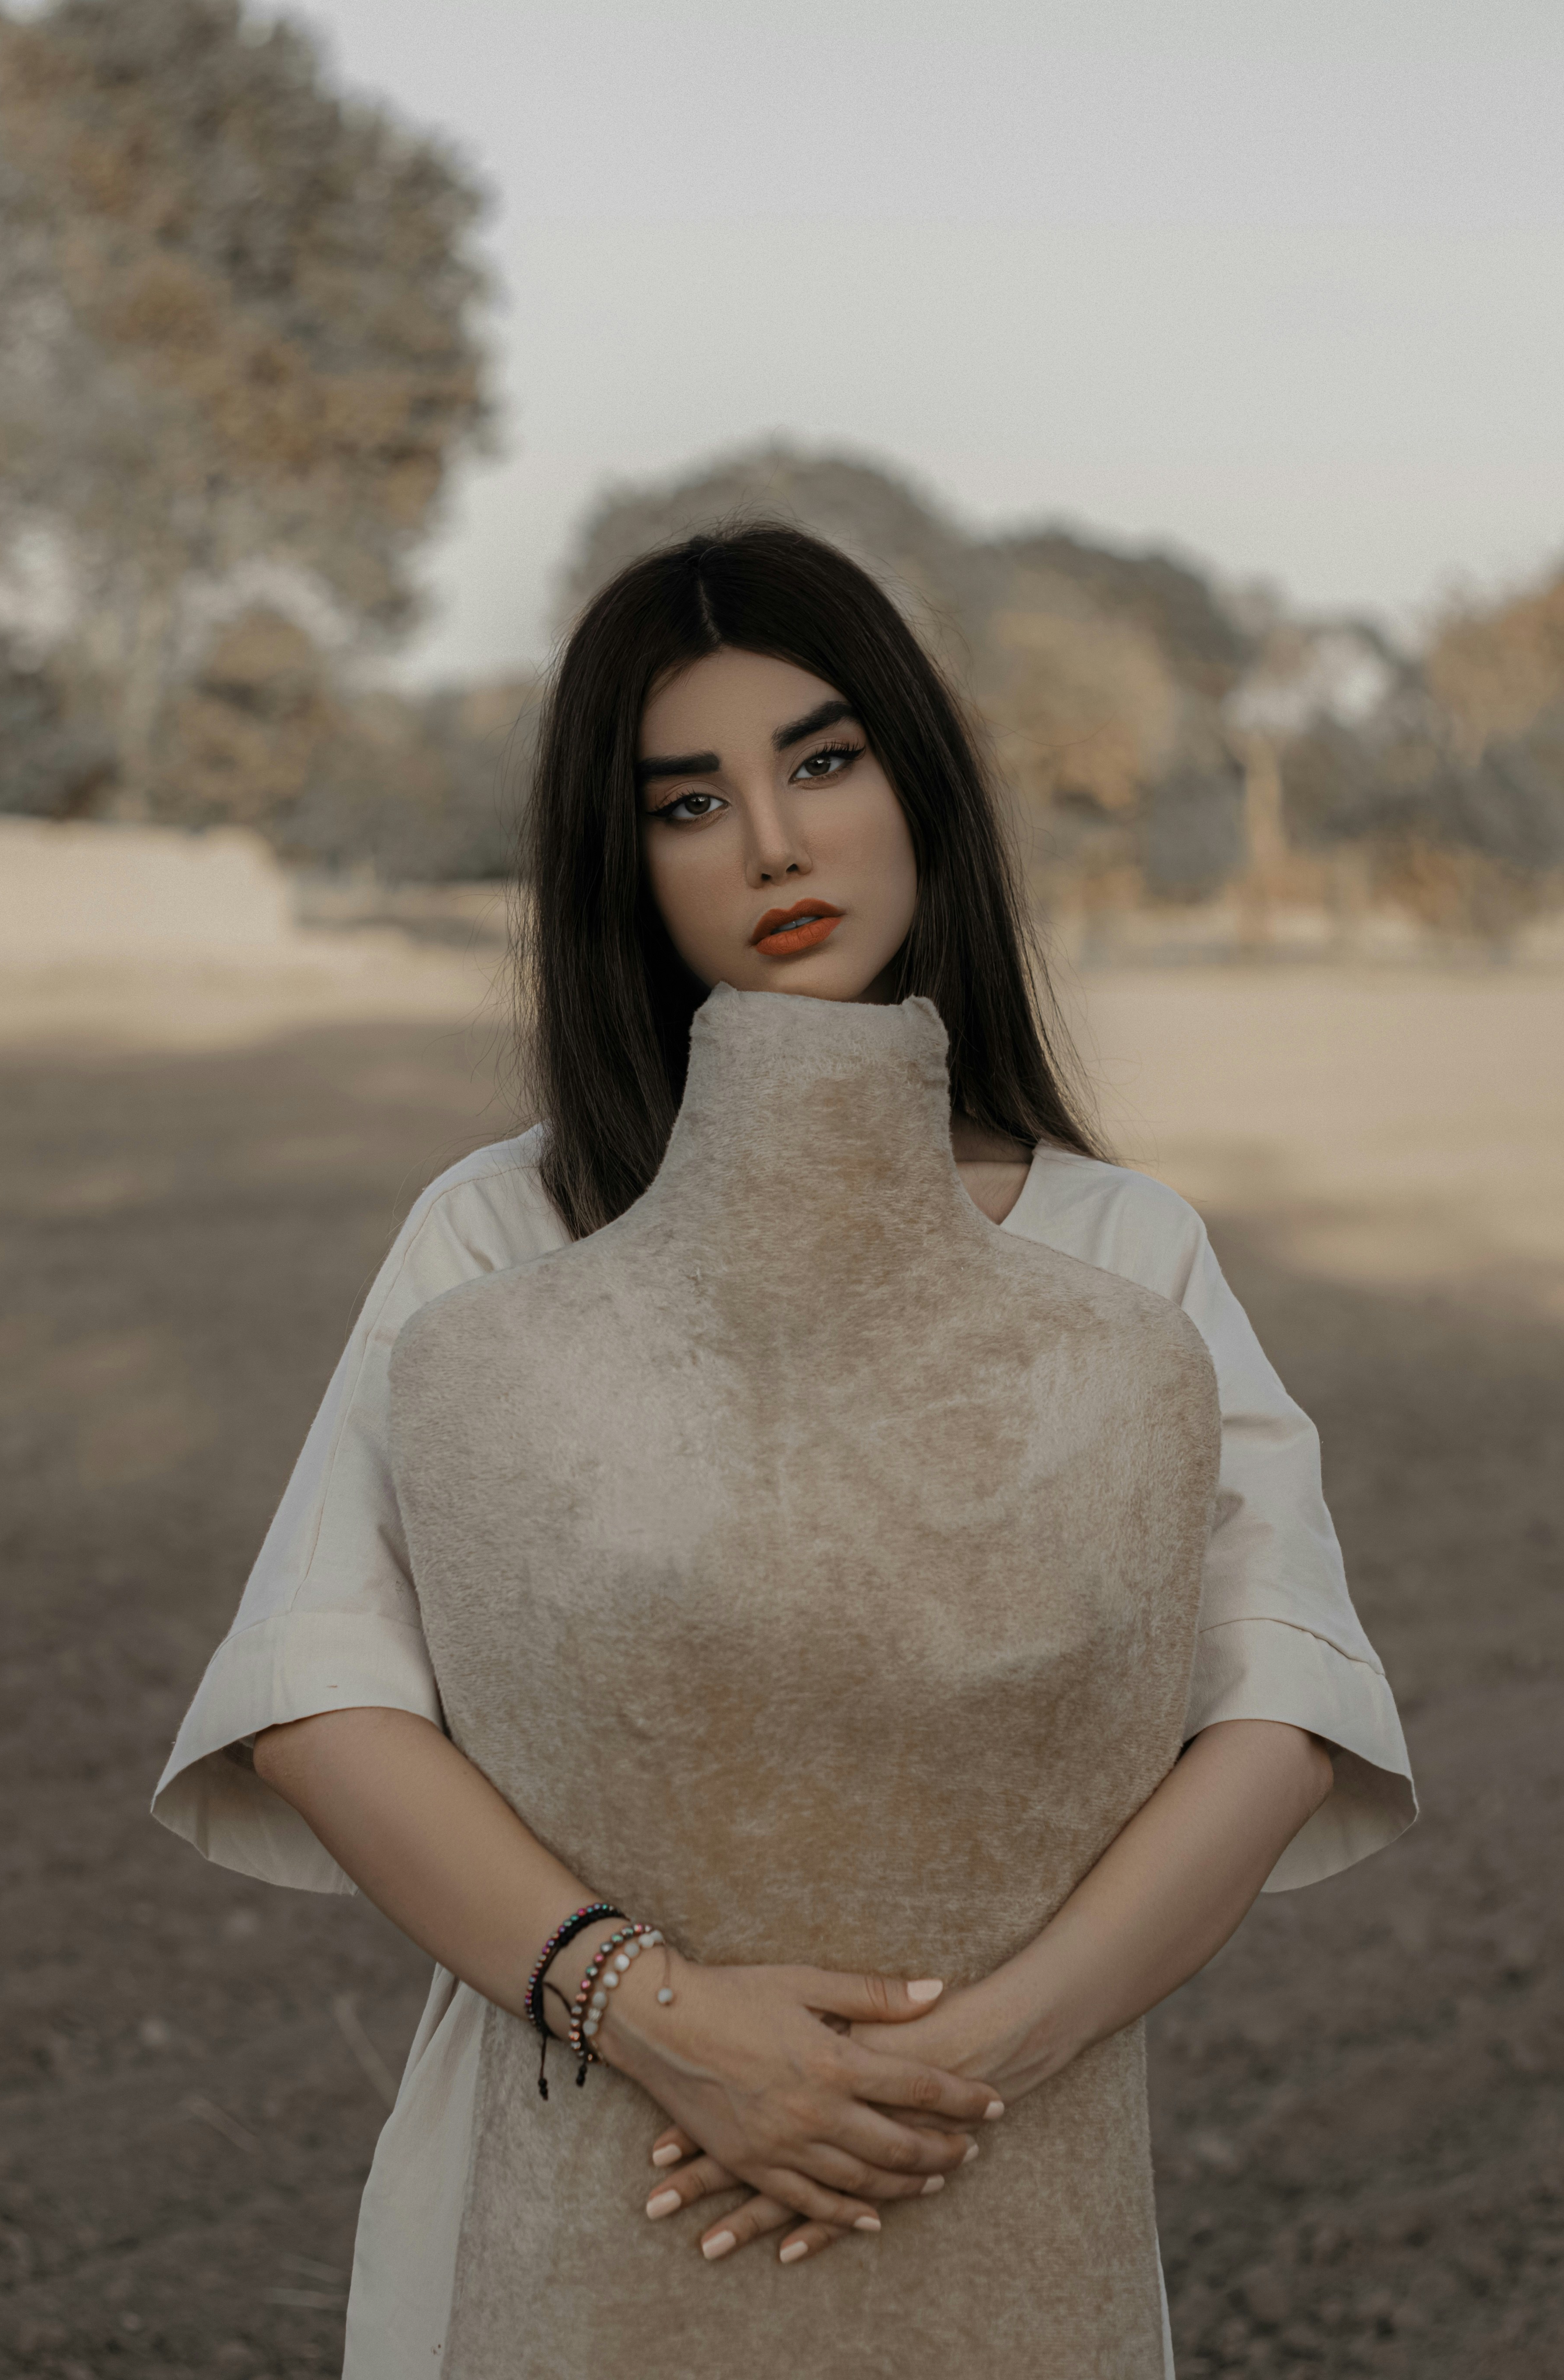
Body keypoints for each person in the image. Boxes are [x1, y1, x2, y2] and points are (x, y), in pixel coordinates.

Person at [154, 525, 1415, 2379]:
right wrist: (654, 2016)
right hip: (578, 2158)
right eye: (689, 801)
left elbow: (1282, 1709)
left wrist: (967, 2061)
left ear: (920, 784)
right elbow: (321, 1695)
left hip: (1001, 2178)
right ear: (622, 864)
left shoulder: (1119, 1254)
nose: (773, 843)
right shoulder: (502, 1238)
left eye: (822, 763)